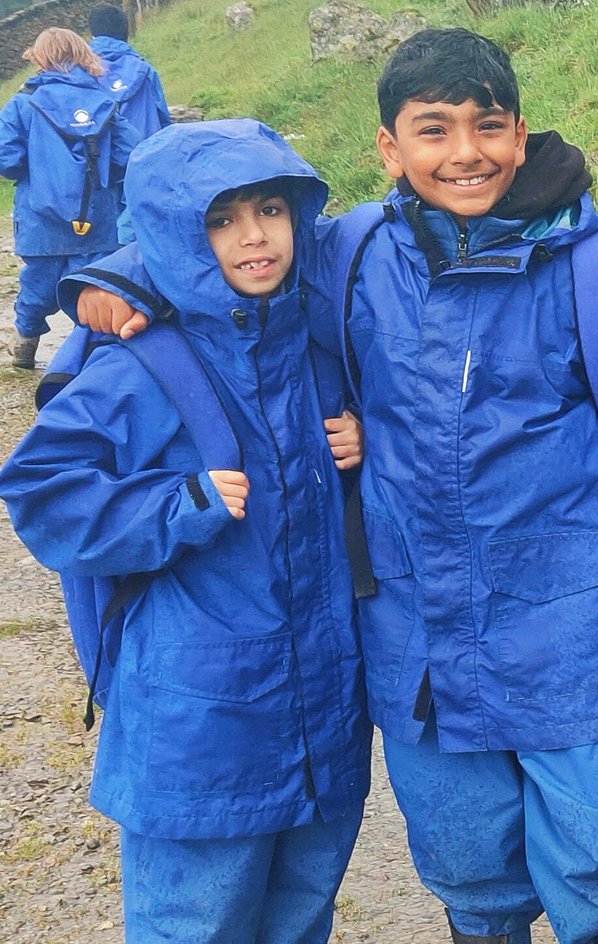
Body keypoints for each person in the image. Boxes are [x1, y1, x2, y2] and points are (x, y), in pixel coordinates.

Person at [62, 29, 598, 944]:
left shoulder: (588, 268)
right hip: (416, 636)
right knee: (470, 869)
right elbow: (221, 248)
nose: (463, 153)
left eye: (488, 126)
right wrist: (110, 279)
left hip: (570, 634)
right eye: (432, 131)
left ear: (520, 135)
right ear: (389, 149)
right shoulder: (344, 254)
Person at [0, 119, 372, 944]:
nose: (253, 237)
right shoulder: (141, 363)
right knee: (193, 926)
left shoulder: (311, 343)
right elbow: (41, 487)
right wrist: (178, 506)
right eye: (219, 219)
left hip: (322, 715)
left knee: (300, 914)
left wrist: (362, 443)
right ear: (173, 230)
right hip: (197, 731)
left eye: (271, 209)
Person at [0, 27, 141, 369]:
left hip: (40, 221)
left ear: (40, 58)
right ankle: (89, 358)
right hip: (97, 220)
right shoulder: (106, 104)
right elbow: (131, 155)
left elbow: (8, 162)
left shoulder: (22, 105)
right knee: (91, 289)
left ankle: (25, 347)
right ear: (83, 57)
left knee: (37, 286)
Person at [89, 4, 171, 138]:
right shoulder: (145, 70)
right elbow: (163, 117)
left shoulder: (80, 72)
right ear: (126, 33)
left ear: (93, 36)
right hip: (145, 150)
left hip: (102, 155)